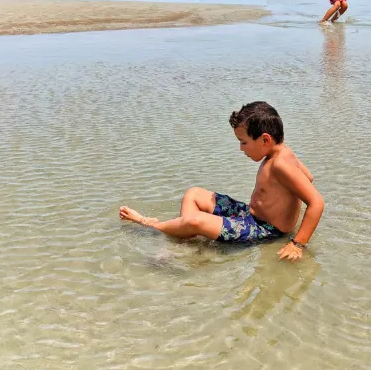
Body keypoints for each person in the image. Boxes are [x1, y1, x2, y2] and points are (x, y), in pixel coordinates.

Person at [119, 101, 324, 261]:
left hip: (264, 230)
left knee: (195, 220)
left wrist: (297, 244)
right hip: (249, 215)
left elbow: (316, 203)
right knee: (194, 194)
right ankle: (186, 239)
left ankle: (152, 224)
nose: (241, 148)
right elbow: (309, 178)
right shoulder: (285, 155)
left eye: (244, 142)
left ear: (265, 140)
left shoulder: (281, 164)